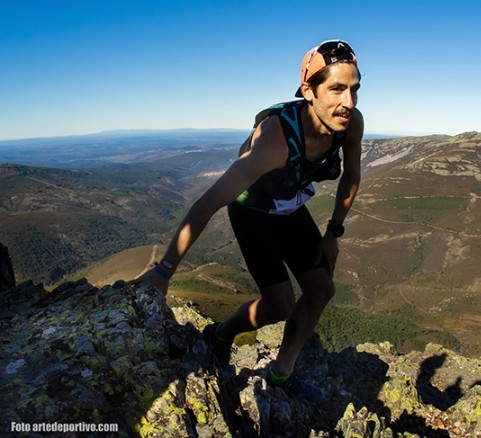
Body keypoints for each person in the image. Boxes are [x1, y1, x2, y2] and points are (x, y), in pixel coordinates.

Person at [129, 39, 363, 403]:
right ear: (308, 91)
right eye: (336, 89)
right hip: (252, 211)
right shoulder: (274, 142)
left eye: (354, 89)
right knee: (280, 303)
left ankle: (282, 373)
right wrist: (164, 271)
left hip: (288, 206)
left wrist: (334, 233)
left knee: (321, 289)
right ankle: (221, 335)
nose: (348, 102)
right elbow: (208, 203)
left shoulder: (351, 124)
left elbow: (351, 176)